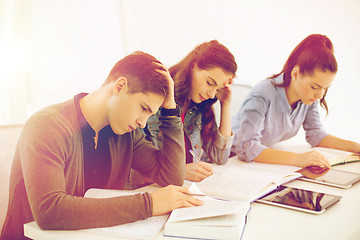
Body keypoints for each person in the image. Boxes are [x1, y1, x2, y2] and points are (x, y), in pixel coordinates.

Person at [1, 51, 202, 240]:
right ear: (120, 86)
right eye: (143, 108)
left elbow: (171, 178)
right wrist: (149, 204)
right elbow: (50, 211)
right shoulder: (46, 125)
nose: (143, 122)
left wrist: (170, 111)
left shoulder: (127, 134)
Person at [231, 34, 360, 168]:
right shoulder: (263, 93)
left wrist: (355, 147)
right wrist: (299, 159)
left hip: (253, 162)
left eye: (325, 88)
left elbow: (316, 135)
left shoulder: (308, 98)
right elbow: (246, 148)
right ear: (295, 74)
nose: (320, 95)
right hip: (228, 158)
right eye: (315, 87)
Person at [141, 40, 237, 183]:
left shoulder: (198, 107)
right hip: (153, 192)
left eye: (217, 89)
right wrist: (181, 171)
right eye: (209, 83)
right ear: (193, 66)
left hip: (185, 189)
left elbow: (220, 157)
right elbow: (131, 168)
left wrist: (226, 103)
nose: (211, 94)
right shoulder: (155, 99)